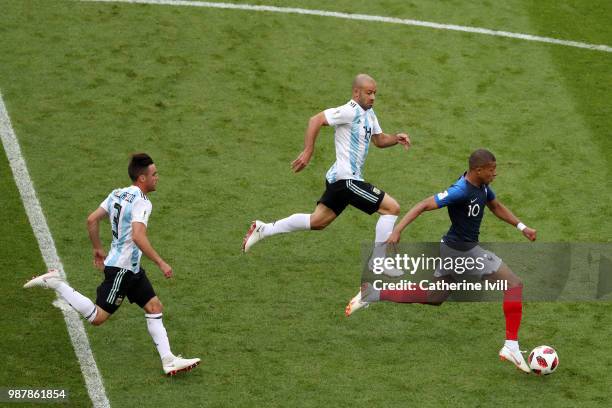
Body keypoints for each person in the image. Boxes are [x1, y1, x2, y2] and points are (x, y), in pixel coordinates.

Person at [345, 149, 537, 373]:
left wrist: (522, 227)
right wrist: (397, 229)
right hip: (463, 252)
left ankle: (372, 293)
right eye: (492, 170)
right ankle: (511, 346)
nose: (496, 173)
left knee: (434, 296)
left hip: (451, 249)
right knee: (514, 284)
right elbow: (423, 205)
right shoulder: (460, 191)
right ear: (478, 170)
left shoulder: (481, 185)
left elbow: (495, 206)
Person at [24, 153, 200, 376]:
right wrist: (161, 262)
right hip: (122, 270)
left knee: (154, 306)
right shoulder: (142, 202)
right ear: (142, 179)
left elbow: (92, 219)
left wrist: (97, 247)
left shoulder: (117, 193)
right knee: (98, 318)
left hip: (130, 268)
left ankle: (168, 360)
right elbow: (138, 236)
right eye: (154, 174)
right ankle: (56, 283)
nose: (157, 178)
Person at [242, 74, 410, 276]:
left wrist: (396, 138)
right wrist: (308, 150)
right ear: (356, 93)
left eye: (375, 93)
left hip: (341, 180)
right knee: (391, 208)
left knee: (318, 221)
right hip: (346, 180)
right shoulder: (350, 111)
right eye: (368, 93)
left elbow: (379, 140)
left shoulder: (369, 113)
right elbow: (316, 119)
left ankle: (263, 229)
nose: (373, 97)